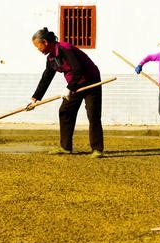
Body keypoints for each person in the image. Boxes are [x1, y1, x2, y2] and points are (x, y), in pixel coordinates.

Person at [28, 27, 104, 158]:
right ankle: (66, 147)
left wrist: (69, 88)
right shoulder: (51, 58)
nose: (38, 49)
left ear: (45, 42)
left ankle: (97, 149)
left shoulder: (65, 49)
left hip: (91, 82)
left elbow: (78, 69)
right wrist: (35, 98)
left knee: (93, 114)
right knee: (65, 111)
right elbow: (46, 77)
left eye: (38, 46)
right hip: (75, 84)